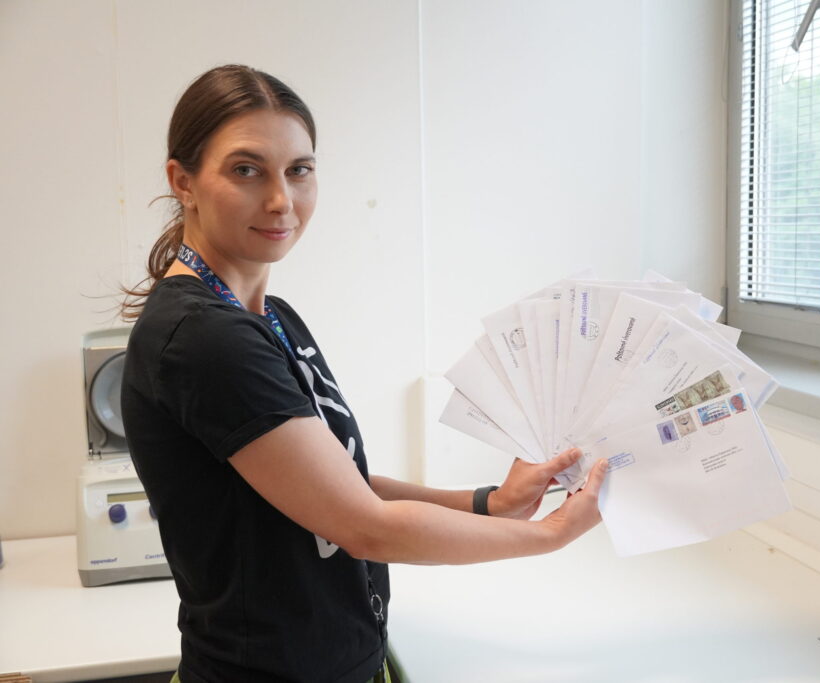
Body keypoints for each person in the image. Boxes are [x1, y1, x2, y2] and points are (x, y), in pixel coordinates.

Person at [119, 64, 607, 683]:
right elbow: (364, 529)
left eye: (299, 170)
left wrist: (490, 503)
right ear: (182, 182)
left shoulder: (267, 317)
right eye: (247, 170)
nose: (280, 199)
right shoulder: (204, 339)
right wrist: (551, 534)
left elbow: (339, 483)